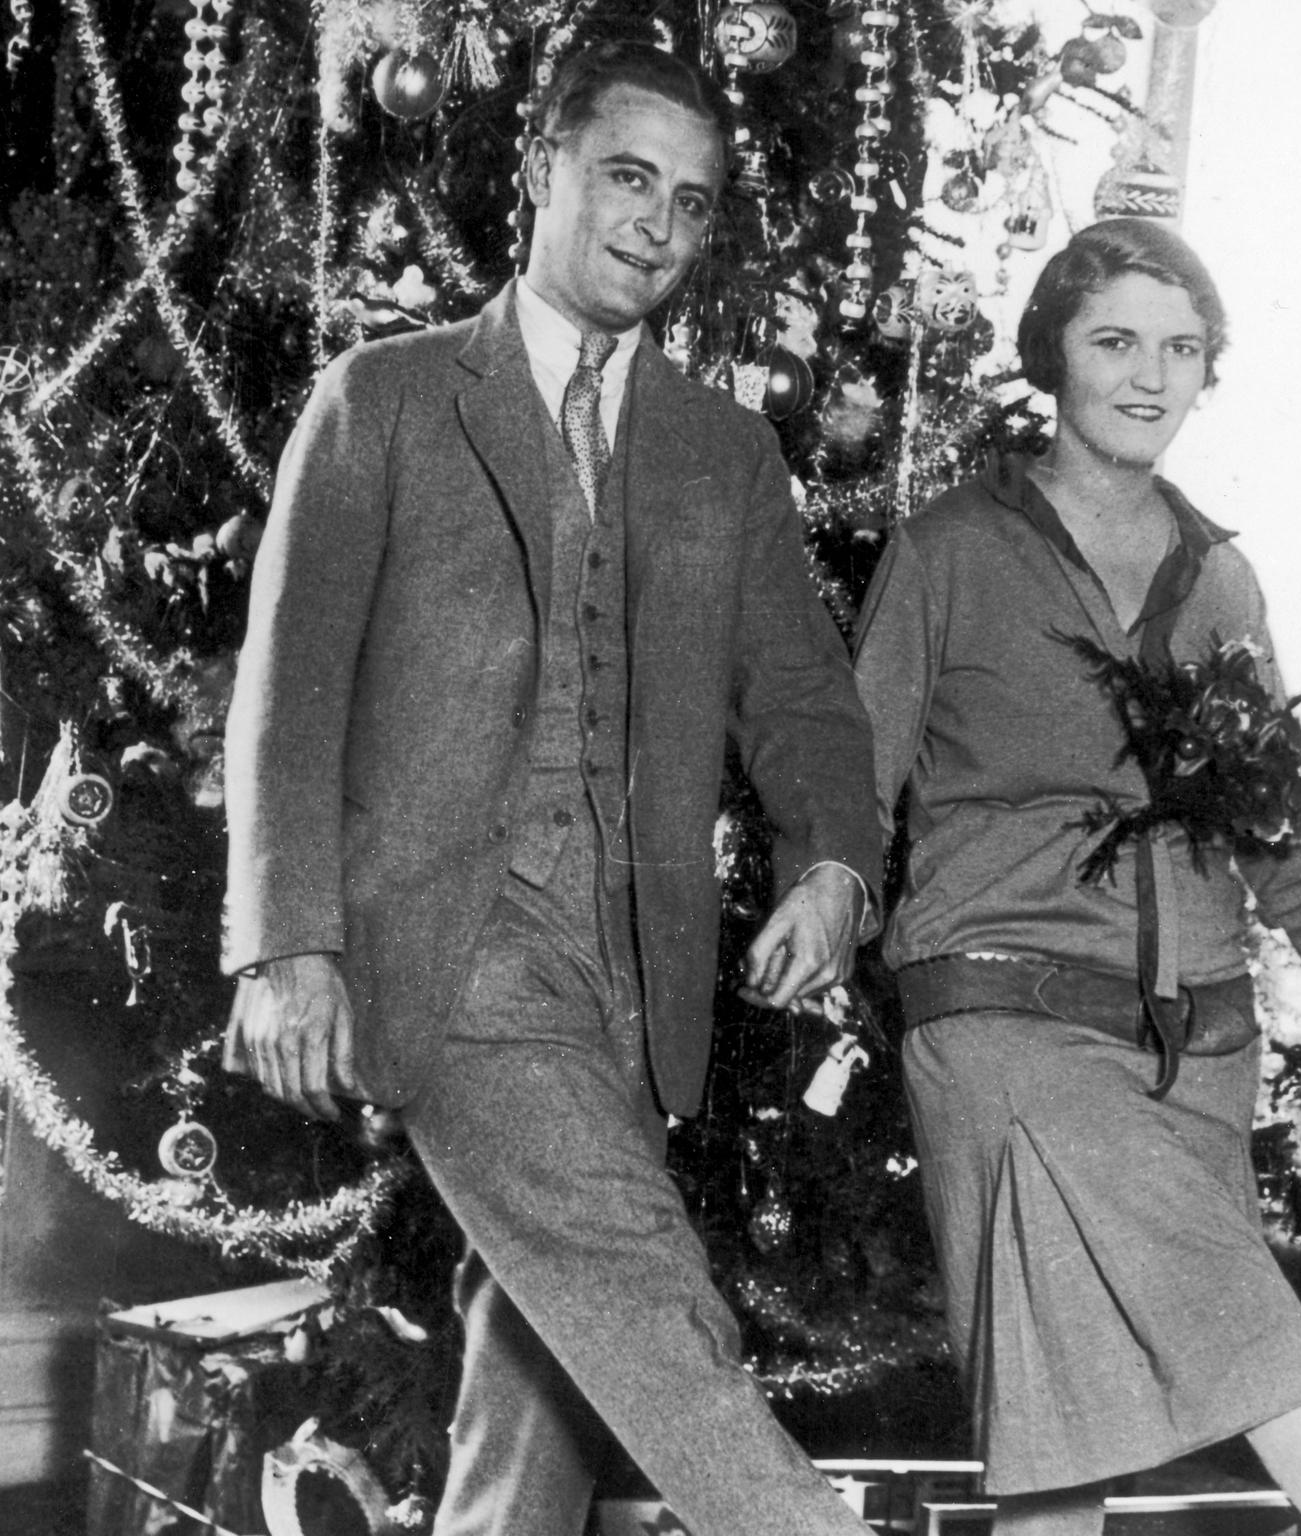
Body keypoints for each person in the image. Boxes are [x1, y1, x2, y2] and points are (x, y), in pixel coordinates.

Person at [220, 41, 884, 1536]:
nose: (658, 225)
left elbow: (803, 701)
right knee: (651, 1309)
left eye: (695, 205)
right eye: (628, 178)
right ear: (543, 170)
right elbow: (286, 691)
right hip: (448, 943)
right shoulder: (382, 398)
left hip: (634, 984)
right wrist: (285, 941)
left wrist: (835, 867)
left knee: (539, 1370)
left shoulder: (726, 455)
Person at [852, 217, 1301, 1536]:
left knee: (1065, 1449)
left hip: (1194, 1050)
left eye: (1183, 349)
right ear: (1051, 355)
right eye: (1115, 340)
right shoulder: (951, 548)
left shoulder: (1219, 580)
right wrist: (818, 890)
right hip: (1004, 1017)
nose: (1149, 375)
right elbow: (854, 779)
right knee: (1280, 1380)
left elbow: (1276, 835)